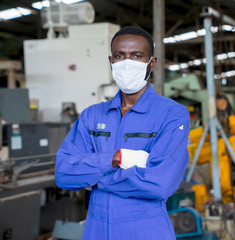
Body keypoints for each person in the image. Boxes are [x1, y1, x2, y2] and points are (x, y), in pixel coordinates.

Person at [55, 26, 190, 239]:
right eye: (120, 55)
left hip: (145, 229)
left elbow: (160, 184)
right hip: (96, 230)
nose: (127, 63)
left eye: (136, 56)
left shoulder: (172, 115)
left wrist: (96, 179)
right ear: (111, 62)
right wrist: (116, 159)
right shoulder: (92, 115)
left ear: (151, 63)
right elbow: (63, 174)